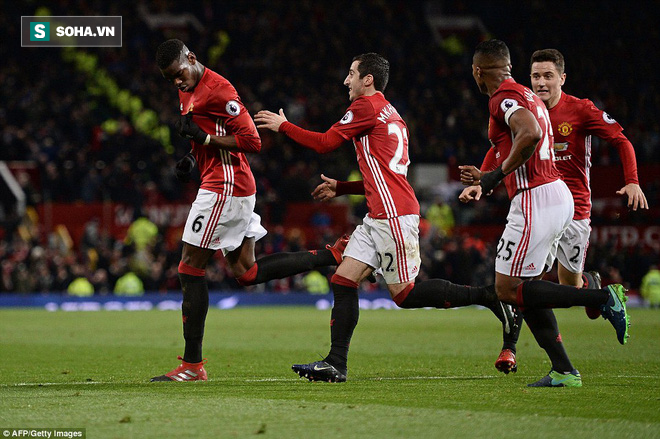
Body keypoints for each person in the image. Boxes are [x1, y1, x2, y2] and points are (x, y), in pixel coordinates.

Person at [256, 53, 516, 383]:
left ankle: (488, 296)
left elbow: (324, 144)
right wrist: (342, 187)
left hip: (392, 214)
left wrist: (284, 126)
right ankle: (336, 363)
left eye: (351, 74)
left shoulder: (365, 107)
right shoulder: (392, 115)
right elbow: (385, 172)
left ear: (368, 80)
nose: (346, 81)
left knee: (405, 295)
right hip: (381, 212)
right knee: (343, 280)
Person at [151, 39, 348, 382]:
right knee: (247, 272)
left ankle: (192, 365)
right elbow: (204, 133)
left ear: (192, 58)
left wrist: (206, 141)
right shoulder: (187, 89)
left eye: (179, 74)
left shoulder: (220, 91)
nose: (177, 83)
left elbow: (252, 140)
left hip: (225, 186)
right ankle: (332, 254)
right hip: (218, 180)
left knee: (189, 268)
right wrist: (190, 158)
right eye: (170, 79)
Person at [459, 39, 629, 387]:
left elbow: (531, 133)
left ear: (478, 71)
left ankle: (601, 297)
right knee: (527, 287)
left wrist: (495, 175)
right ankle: (564, 370)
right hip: (554, 194)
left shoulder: (501, 98)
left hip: (536, 198)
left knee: (506, 289)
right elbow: (512, 140)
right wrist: (487, 178)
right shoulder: (527, 94)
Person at [492, 48, 649, 374]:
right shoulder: (527, 109)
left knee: (567, 283)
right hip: (538, 206)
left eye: (548, 76)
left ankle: (591, 288)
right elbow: (500, 146)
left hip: (574, 210)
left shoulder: (580, 110)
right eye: (536, 76)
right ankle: (510, 349)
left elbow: (621, 140)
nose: (541, 82)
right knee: (523, 281)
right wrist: (485, 179)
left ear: (562, 78)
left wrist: (632, 181)